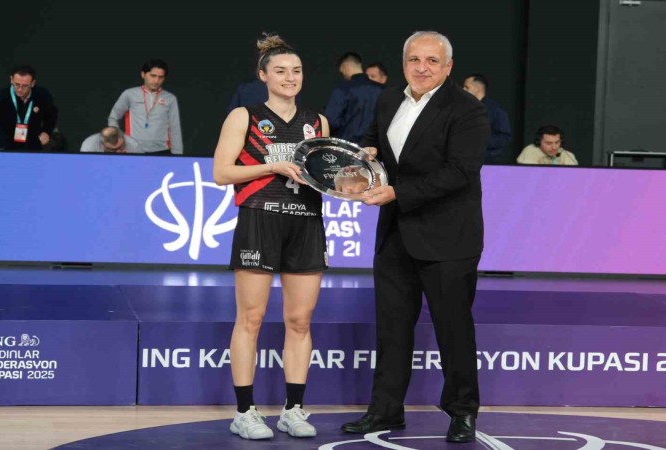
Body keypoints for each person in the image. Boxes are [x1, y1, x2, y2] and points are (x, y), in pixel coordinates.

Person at [341, 31, 491, 443]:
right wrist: (365, 155)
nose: (421, 68)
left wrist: (397, 193)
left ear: (448, 66)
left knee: (453, 331)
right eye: (414, 59)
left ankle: (462, 412)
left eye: (431, 60)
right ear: (404, 62)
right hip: (394, 235)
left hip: (448, 239)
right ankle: (385, 410)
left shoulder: (468, 110)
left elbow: (459, 173)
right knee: (391, 329)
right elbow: (375, 140)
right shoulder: (389, 99)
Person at [212, 33, 330, 441]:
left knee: (299, 320)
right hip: (260, 219)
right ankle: (244, 412)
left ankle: (292, 410)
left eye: (296, 71)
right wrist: (272, 167)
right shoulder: (243, 116)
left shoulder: (317, 122)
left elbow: (323, 175)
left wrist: (350, 174)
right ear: (263, 75)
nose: (290, 77)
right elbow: (221, 172)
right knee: (252, 318)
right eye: (280, 71)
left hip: (306, 222)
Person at [108, 59, 183, 155]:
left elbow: (175, 128)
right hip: (134, 150)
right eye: (153, 76)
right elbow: (113, 117)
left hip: (162, 151)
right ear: (143, 74)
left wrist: (178, 156)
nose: (156, 81)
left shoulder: (170, 98)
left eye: (160, 77)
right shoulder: (129, 94)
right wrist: (117, 143)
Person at [0, 65, 58, 151]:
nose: (20, 89)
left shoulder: (42, 95)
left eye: (25, 86)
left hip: (33, 147)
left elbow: (52, 115)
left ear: (32, 83)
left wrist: (47, 132)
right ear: (11, 80)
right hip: (4, 146)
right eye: (17, 84)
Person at [323, 52, 384, 143]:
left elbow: (331, 121)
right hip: (375, 148)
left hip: (347, 147)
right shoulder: (382, 90)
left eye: (342, 72)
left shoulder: (342, 89)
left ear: (346, 67)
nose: (343, 75)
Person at [462, 73, 512, 164]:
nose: (463, 90)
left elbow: (504, 137)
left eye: (467, 87)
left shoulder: (495, 110)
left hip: (487, 162)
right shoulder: (462, 109)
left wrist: (480, 142)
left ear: (478, 88)